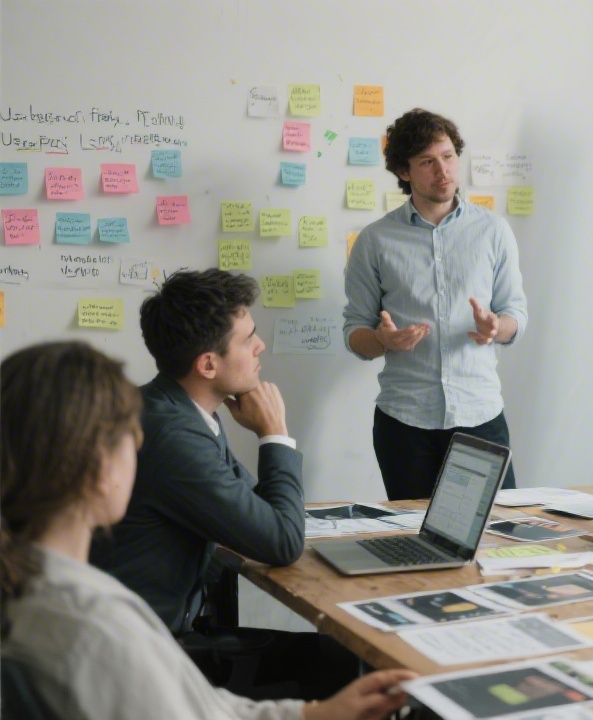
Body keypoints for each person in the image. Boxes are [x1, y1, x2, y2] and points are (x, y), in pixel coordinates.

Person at [1, 340, 416, 720]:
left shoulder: (32, 586)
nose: (260, 346)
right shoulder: (96, 622)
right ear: (99, 471)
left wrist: (314, 715)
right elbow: (281, 538)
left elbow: (197, 707)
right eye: (131, 439)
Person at [89, 268, 351, 699]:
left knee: (332, 657)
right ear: (208, 364)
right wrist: (275, 434)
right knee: (342, 667)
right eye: (248, 339)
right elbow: (281, 541)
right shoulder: (174, 437)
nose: (260, 346)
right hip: (140, 658)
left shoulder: (173, 408)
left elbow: (256, 509)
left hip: (149, 632)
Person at [344, 108, 528, 501]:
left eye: (447, 156)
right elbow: (354, 332)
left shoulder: (493, 230)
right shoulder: (375, 241)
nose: (442, 170)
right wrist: (383, 341)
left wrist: (497, 328)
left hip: (479, 416)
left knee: (495, 536)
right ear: (404, 171)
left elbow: (516, 314)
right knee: (414, 545)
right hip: (405, 421)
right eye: (427, 162)